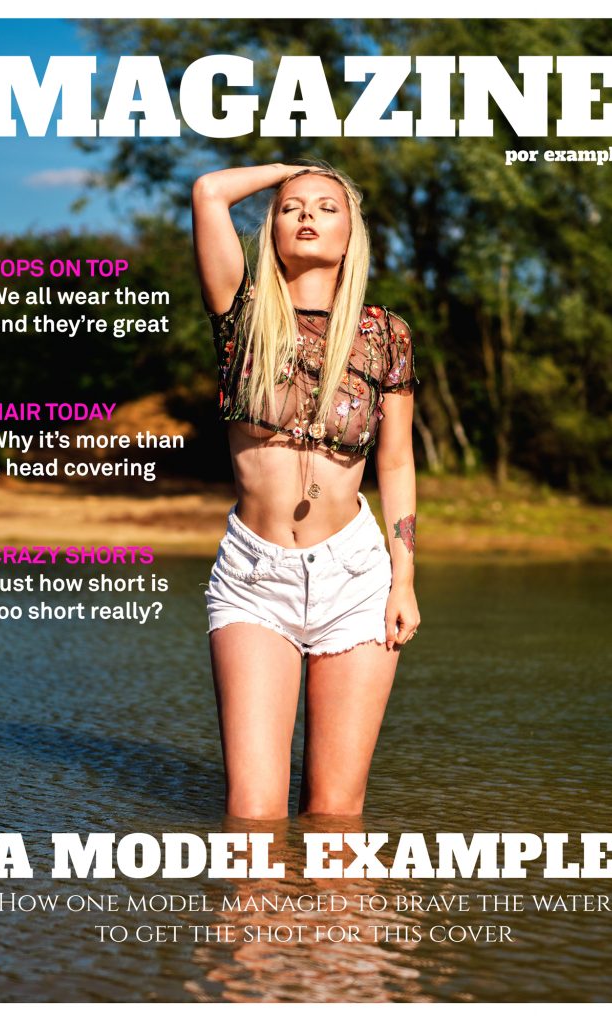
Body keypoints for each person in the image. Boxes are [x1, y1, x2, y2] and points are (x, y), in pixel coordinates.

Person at [192, 162, 420, 820]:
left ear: (352, 235)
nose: (308, 215)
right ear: (272, 229)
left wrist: (402, 579)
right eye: (292, 207)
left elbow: (398, 464)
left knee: (333, 812)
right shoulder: (241, 316)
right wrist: (294, 169)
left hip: (355, 577)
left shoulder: (385, 335)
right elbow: (209, 191)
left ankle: (335, 927)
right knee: (254, 814)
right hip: (255, 577)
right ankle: (254, 922)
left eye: (327, 206)